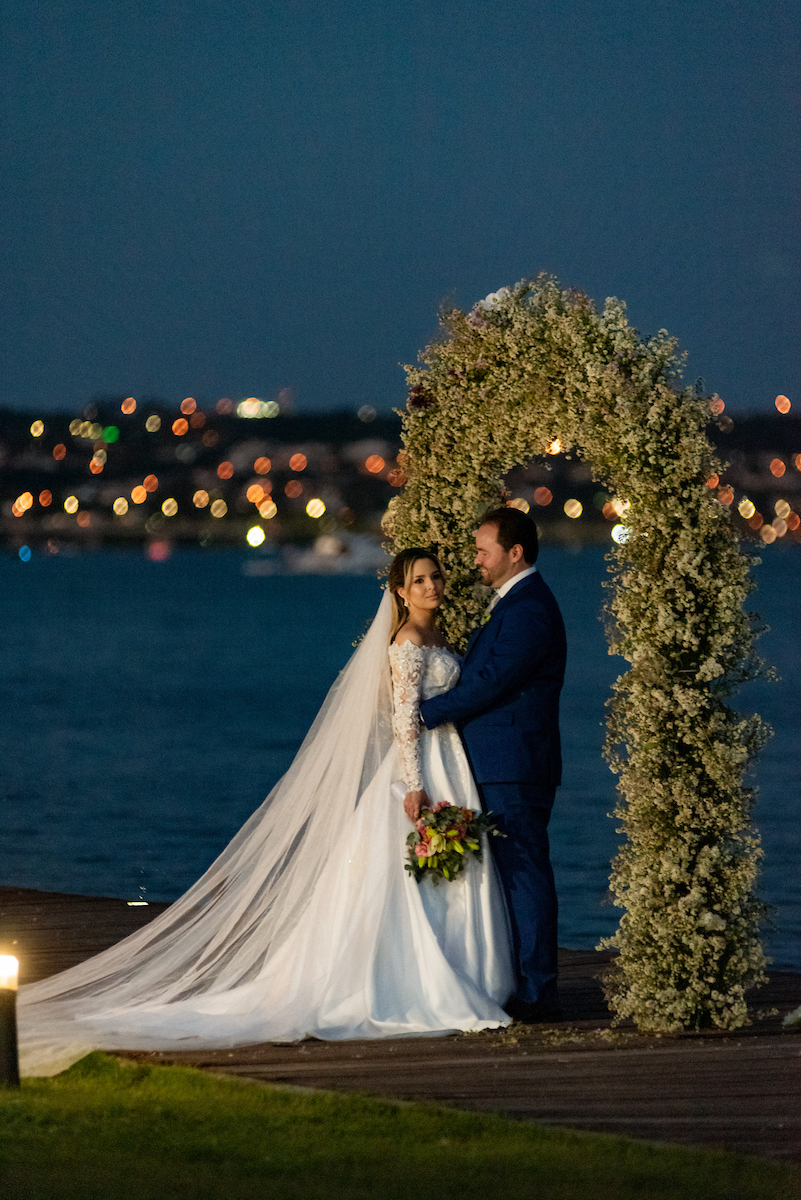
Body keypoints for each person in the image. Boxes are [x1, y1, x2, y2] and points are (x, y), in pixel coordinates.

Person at [18, 549, 514, 1077]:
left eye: (435, 576)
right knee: (407, 874)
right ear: (399, 591)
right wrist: (413, 788)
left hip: (451, 763)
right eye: (419, 580)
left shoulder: (440, 639)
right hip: (421, 769)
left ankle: (460, 971)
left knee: (444, 871)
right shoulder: (408, 644)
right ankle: (413, 981)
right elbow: (404, 720)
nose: (432, 585)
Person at [420, 508, 566, 1023]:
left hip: (514, 763)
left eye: (483, 550)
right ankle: (517, 979)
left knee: (524, 872)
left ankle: (538, 991)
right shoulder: (513, 604)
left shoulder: (528, 611)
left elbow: (491, 684)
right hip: (500, 761)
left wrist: (422, 712)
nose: (475, 559)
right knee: (511, 872)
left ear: (515, 552)